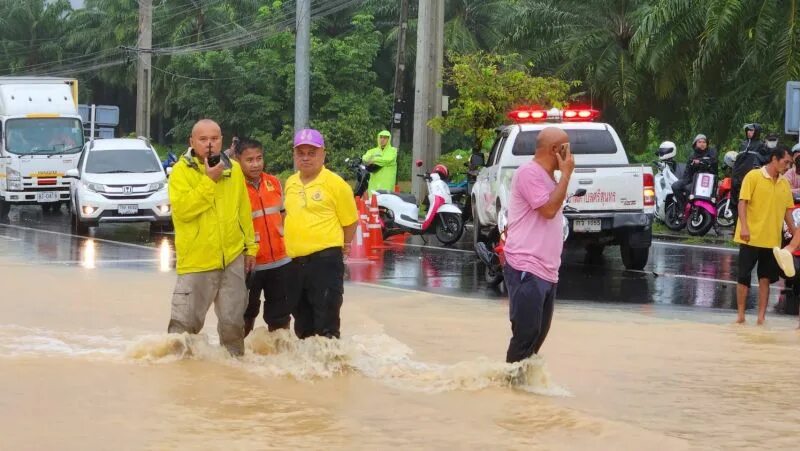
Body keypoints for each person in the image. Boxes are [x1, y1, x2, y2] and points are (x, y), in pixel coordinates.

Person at [167, 119, 258, 356]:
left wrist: (251, 248)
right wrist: (209, 180)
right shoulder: (180, 172)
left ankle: (233, 370)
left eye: (215, 139)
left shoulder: (234, 169)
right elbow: (183, 210)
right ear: (192, 142)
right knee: (183, 328)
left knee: (233, 325)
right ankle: (176, 372)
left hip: (232, 258)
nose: (210, 144)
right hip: (196, 261)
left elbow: (243, 211)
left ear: (222, 141)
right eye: (203, 139)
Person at [502, 127, 574, 363]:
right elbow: (549, 209)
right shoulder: (528, 173)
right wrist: (566, 175)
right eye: (566, 149)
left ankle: (522, 383)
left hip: (548, 271)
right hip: (527, 267)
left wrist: (562, 178)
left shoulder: (549, 179)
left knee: (536, 341)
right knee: (525, 337)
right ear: (555, 150)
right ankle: (510, 384)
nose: (570, 155)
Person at [284, 129, 358, 339]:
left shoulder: (336, 184)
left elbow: (350, 221)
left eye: (312, 153)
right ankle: (308, 360)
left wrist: (345, 245)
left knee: (326, 323)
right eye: (301, 153)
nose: (306, 158)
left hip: (325, 261)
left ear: (323, 154)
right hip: (295, 263)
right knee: (302, 324)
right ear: (294, 155)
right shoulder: (290, 183)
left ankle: (331, 359)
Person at [233, 137, 293, 336]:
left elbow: (283, 216)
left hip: (281, 262)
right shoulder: (234, 187)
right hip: (249, 264)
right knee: (244, 315)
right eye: (249, 160)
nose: (256, 164)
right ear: (238, 160)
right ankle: (239, 353)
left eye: (259, 158)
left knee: (280, 317)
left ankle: (278, 353)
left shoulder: (274, 182)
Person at [733, 146, 795, 325]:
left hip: (771, 240)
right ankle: (741, 316)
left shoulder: (784, 183)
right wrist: (744, 227)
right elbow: (742, 203)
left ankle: (761, 318)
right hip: (750, 237)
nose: (788, 166)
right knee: (743, 277)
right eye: (786, 162)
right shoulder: (753, 176)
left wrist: (795, 234)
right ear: (774, 159)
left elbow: (787, 213)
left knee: (765, 278)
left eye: (790, 163)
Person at [671, 134, 718, 207]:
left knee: (688, 189)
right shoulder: (692, 156)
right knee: (675, 186)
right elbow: (687, 171)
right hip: (692, 179)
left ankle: (692, 207)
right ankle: (682, 207)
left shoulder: (711, 153)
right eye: (699, 142)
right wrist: (684, 180)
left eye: (704, 142)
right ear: (695, 143)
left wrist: (701, 162)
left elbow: (713, 162)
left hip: (705, 181)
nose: (702, 144)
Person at [731, 123, 767, 208]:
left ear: (757, 131)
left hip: (751, 176)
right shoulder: (743, 144)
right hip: (738, 176)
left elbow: (764, 161)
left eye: (751, 130)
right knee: (737, 199)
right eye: (748, 130)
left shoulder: (761, 145)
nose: (749, 132)